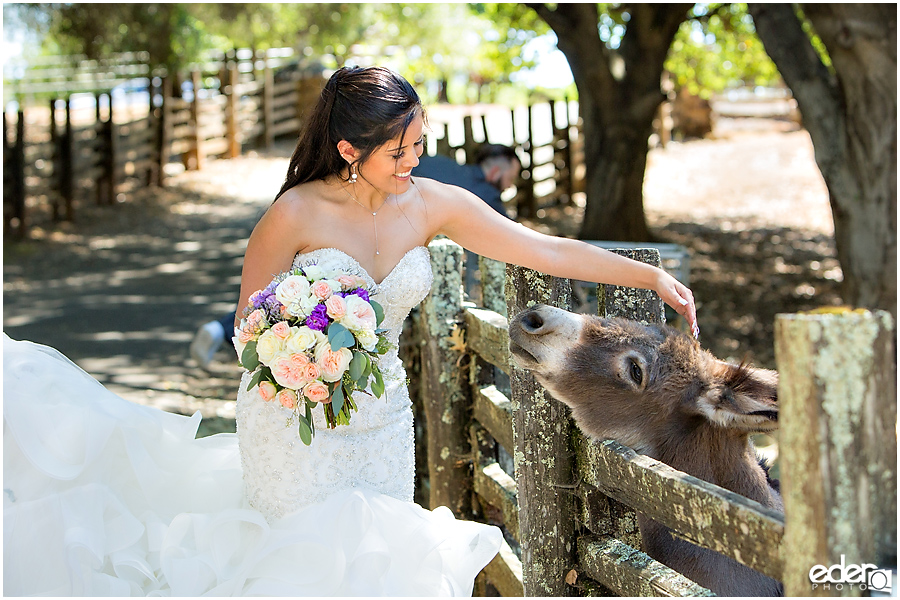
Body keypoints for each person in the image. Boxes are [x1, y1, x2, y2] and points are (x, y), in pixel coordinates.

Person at [3, 66, 698, 596]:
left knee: (373, 566)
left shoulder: (431, 205)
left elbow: (540, 248)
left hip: (383, 422)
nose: (414, 163)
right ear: (347, 149)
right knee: (297, 568)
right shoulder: (294, 214)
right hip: (292, 421)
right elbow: (250, 324)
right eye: (399, 151)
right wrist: (301, 347)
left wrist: (647, 279)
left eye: (419, 144)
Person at [188, 143, 520, 369]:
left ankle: (219, 327)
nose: (507, 187)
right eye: (510, 179)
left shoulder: (436, 165)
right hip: (384, 266)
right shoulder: (483, 193)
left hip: (355, 228)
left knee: (295, 284)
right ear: (496, 171)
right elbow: (503, 241)